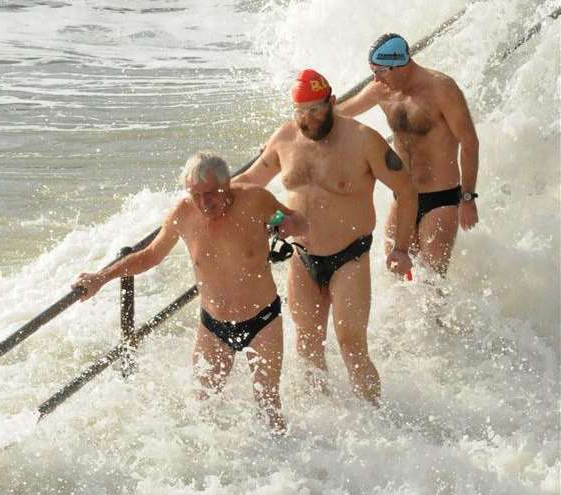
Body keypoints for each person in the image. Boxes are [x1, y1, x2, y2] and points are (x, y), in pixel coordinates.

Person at [72, 152, 307, 434]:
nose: (203, 203)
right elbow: (150, 256)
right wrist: (101, 277)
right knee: (203, 406)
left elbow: (296, 221)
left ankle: (284, 467)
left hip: (263, 320)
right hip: (213, 326)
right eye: (196, 194)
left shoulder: (256, 199)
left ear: (227, 185)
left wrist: (288, 225)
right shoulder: (183, 213)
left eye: (210, 193)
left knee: (268, 402)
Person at [234, 70, 417, 404]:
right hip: (302, 257)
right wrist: (205, 198)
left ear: (332, 102)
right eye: (301, 112)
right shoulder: (285, 138)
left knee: (350, 343)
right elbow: (249, 180)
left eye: (316, 109)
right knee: (307, 344)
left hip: (350, 256)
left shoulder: (364, 139)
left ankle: (375, 416)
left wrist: (401, 248)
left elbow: (406, 190)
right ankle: (324, 417)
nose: (309, 119)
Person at [338, 33, 479, 276]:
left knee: (432, 279)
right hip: (403, 195)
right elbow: (339, 114)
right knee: (395, 273)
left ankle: (440, 316)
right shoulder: (381, 90)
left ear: (400, 65)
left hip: (440, 198)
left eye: (380, 71)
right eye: (373, 70)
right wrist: (288, 133)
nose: (375, 78)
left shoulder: (441, 89)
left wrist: (467, 197)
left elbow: (469, 143)